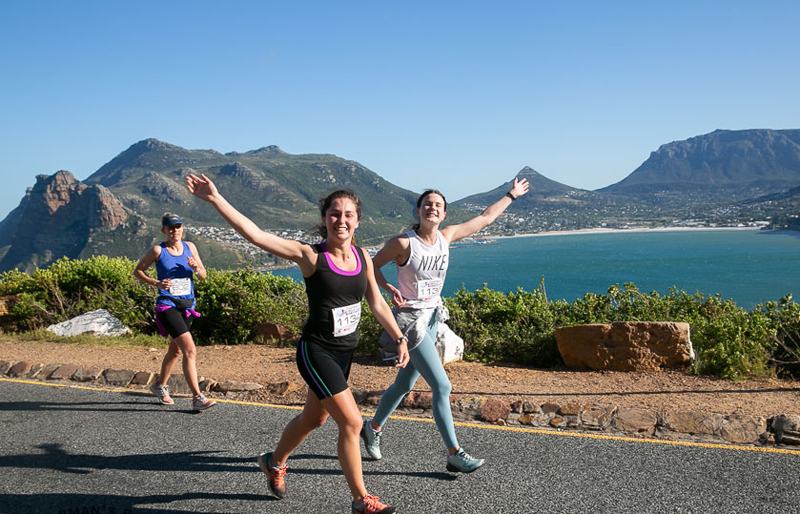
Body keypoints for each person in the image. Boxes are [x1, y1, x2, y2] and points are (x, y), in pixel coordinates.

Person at [186, 173, 409, 514]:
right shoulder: (311, 256)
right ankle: (361, 500)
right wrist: (216, 199)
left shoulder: (363, 257)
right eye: (335, 213)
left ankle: (273, 462)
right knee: (351, 422)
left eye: (349, 214)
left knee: (314, 419)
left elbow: (376, 303)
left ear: (358, 221)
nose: (341, 220)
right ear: (324, 219)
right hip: (316, 351)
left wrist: (399, 337)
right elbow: (257, 235)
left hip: (344, 353)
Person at [362, 176, 530, 473]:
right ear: (418, 210)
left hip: (431, 318)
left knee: (404, 383)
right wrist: (388, 288)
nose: (433, 209)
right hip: (409, 323)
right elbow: (371, 267)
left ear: (444, 213)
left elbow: (485, 218)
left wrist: (511, 195)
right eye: (427, 204)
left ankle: (372, 427)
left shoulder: (446, 236)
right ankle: (454, 452)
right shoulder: (403, 243)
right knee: (442, 385)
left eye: (438, 205)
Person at [134, 213, 217, 411]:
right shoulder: (158, 250)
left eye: (178, 227)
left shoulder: (190, 247)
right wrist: (156, 283)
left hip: (187, 307)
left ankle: (159, 385)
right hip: (167, 305)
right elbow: (138, 271)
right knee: (190, 350)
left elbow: (204, 276)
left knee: (175, 350)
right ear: (164, 230)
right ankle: (197, 397)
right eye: (170, 228)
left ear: (182, 228)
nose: (174, 231)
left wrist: (196, 268)